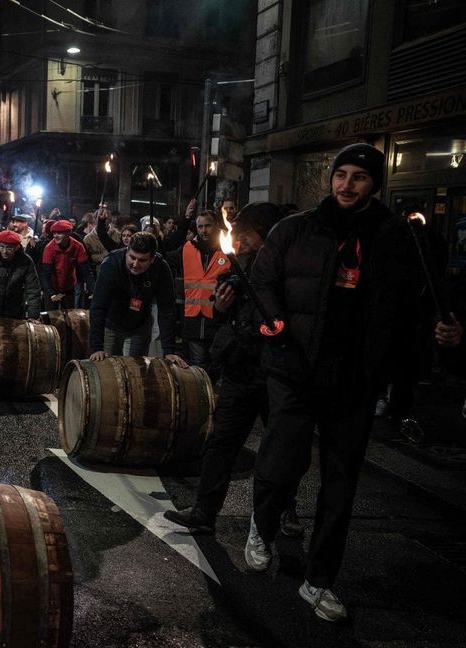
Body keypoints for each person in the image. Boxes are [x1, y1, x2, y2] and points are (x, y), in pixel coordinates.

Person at [246, 143, 418, 622]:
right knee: (283, 462)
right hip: (295, 369)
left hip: (355, 380)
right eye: (340, 174)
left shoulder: (393, 237)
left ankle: (319, 580)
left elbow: (410, 306)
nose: (346, 184)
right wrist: (277, 326)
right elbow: (263, 281)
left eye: (358, 177)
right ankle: (261, 525)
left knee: (340, 488)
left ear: (373, 184)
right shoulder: (295, 228)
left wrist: (418, 357)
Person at [165, 203, 299, 535]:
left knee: (282, 445)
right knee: (221, 441)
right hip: (241, 367)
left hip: (276, 370)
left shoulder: (288, 267)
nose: (238, 241)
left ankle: (286, 511)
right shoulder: (238, 267)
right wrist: (222, 306)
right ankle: (204, 511)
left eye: (245, 234)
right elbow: (227, 312)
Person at [89, 231, 185, 365]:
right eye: (132, 257)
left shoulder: (161, 267)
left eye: (142, 260)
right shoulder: (112, 263)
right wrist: (96, 347)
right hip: (110, 324)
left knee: (135, 371)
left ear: (152, 259)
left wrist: (169, 350)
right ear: (127, 251)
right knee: (105, 370)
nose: (135, 264)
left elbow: (167, 310)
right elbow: (98, 305)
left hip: (139, 326)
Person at [165, 210, 229, 372]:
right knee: (199, 369)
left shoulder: (228, 250)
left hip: (218, 321)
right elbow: (165, 252)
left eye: (207, 226)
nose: (203, 230)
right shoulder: (187, 248)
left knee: (219, 367)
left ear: (216, 226)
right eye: (200, 226)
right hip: (193, 321)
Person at [0, 228, 41, 320]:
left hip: (15, 311)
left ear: (17, 247)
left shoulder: (26, 262)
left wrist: (33, 316)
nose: (4, 251)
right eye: (2, 247)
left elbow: (32, 290)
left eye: (9, 248)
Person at [40, 219, 89, 311]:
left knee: (69, 316)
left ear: (68, 233)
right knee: (51, 317)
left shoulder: (78, 246)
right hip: (52, 286)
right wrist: (51, 293)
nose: (55, 236)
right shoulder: (49, 248)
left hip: (69, 287)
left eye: (59, 233)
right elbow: (45, 274)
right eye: (54, 233)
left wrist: (93, 290)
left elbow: (86, 271)